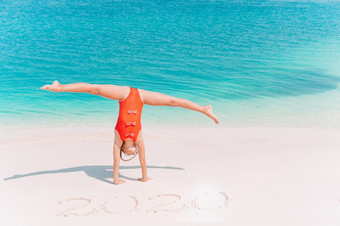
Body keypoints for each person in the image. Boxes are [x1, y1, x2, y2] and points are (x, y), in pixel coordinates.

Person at [40, 80, 219, 185]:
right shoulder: (139, 136)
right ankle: (204, 109)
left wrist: (116, 179)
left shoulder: (119, 136)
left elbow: (115, 161)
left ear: (124, 149)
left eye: (128, 152)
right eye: (134, 151)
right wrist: (144, 177)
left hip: (124, 95)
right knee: (172, 102)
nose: (132, 151)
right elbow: (143, 160)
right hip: (140, 96)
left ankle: (60, 87)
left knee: (96, 90)